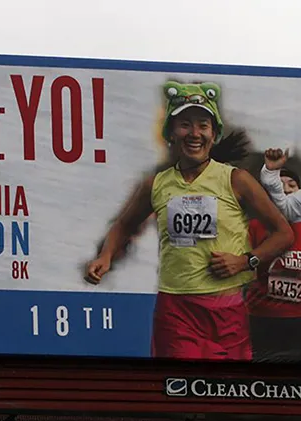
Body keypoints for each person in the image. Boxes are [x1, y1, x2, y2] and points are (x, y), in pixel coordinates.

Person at [86, 81, 294, 360]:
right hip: (177, 312)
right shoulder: (156, 184)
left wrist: (246, 261)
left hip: (228, 312)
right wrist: (106, 255)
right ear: (171, 132)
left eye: (203, 126)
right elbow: (125, 225)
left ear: (214, 134)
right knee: (182, 395)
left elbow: (283, 233)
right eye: (185, 124)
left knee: (228, 397)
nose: (194, 133)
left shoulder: (236, 180)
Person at [246, 148, 301, 361]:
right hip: (262, 320)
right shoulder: (254, 227)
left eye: (292, 186)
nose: (285, 190)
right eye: (279, 185)